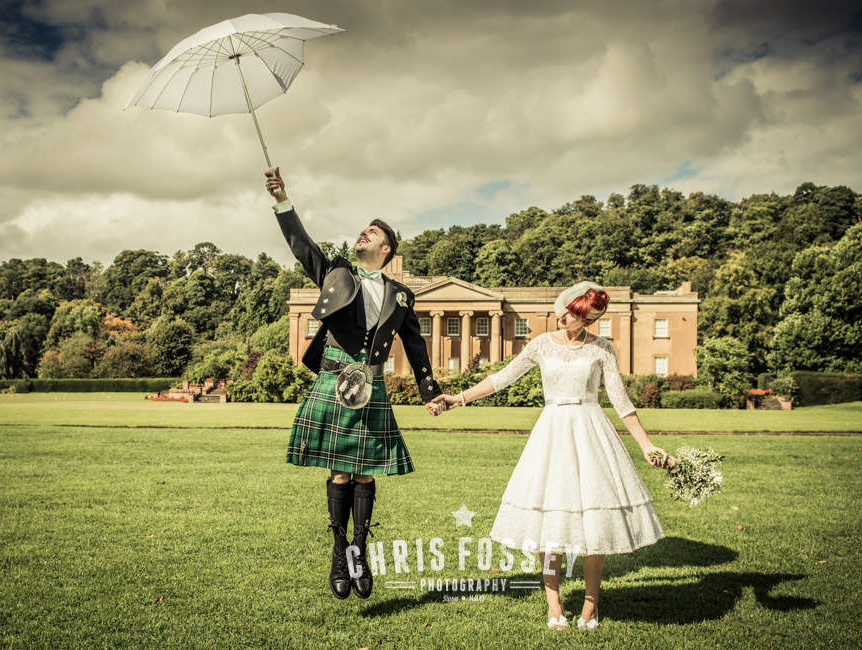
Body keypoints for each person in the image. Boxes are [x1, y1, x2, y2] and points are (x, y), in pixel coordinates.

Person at [433, 282, 669, 630]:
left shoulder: (602, 349)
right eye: (564, 309)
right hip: (552, 432)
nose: (563, 316)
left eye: (573, 314)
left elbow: (620, 401)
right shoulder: (541, 344)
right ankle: (553, 602)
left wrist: (647, 445)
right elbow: (502, 378)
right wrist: (459, 398)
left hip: (591, 432)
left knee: (594, 519)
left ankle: (591, 603)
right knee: (550, 523)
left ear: (587, 319)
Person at [265, 168, 446, 601]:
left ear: (386, 249)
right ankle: (337, 553)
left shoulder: (402, 294)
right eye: (362, 231)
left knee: (364, 472)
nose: (362, 235)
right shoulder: (337, 272)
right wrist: (282, 200)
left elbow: (416, 346)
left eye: (372, 232)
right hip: (334, 376)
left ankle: (358, 551)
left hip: (371, 380)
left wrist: (430, 390)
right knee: (341, 471)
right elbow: (302, 246)